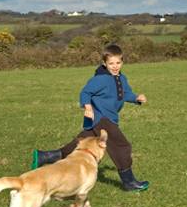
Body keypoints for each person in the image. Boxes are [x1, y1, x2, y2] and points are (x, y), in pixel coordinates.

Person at [31, 44, 149, 191]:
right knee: (121, 146)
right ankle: (129, 182)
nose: (115, 66)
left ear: (122, 62)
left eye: (118, 63)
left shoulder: (121, 78)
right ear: (104, 63)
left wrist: (137, 98)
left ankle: (45, 156)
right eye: (111, 63)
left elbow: (125, 94)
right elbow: (85, 93)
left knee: (78, 145)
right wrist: (87, 107)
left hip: (107, 118)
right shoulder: (100, 79)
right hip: (101, 118)